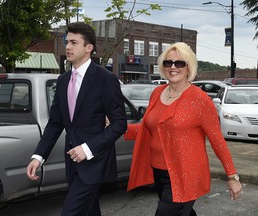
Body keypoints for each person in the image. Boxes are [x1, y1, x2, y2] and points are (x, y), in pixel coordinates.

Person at [124, 42, 242, 216]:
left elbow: (217, 141)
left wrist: (232, 177)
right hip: (159, 171)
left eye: (179, 63)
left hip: (186, 173)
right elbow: (150, 128)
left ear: (189, 67)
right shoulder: (157, 93)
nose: (173, 67)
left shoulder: (200, 100)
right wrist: (120, 128)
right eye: (168, 62)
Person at [27, 22, 127, 216]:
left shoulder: (105, 79)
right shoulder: (63, 80)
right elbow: (56, 122)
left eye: (74, 42)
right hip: (72, 164)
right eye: (67, 42)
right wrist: (38, 157)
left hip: (95, 162)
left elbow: (119, 123)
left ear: (89, 48)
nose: (68, 47)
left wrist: (87, 148)